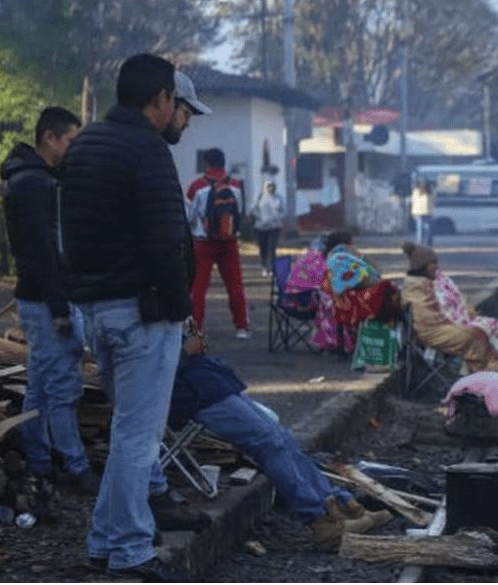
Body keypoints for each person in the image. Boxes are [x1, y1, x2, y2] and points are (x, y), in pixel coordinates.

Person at [58, 53, 194, 581]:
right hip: (144, 313)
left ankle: (103, 540)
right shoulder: (148, 149)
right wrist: (181, 308)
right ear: (160, 100)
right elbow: (166, 239)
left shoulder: (84, 143)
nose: (171, 113)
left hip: (96, 310)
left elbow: (66, 232)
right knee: (138, 436)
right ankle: (132, 550)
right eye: (172, 103)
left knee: (126, 431)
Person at [155, 329, 391, 552]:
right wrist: (186, 350)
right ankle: (321, 521)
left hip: (205, 382)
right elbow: (151, 366)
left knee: (282, 437)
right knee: (268, 441)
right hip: (190, 392)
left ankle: (338, 505)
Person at [0, 107, 98, 495]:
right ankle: (75, 466)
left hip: (38, 296)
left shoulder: (33, 178)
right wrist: (60, 308)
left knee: (40, 387)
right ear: (49, 138)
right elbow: (43, 251)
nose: (73, 148)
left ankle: (40, 463)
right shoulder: (34, 184)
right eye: (70, 139)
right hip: (45, 300)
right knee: (62, 388)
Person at [401, 241, 498, 374]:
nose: (436, 267)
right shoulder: (417, 290)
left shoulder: (426, 283)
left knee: (482, 330)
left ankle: (483, 372)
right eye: (432, 263)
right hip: (433, 334)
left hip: (441, 328)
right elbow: (431, 320)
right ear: (422, 267)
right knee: (476, 336)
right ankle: (480, 376)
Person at [186, 148, 252, 339]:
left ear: (206, 164)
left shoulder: (196, 186)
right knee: (235, 285)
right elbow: (240, 212)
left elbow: (189, 216)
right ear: (224, 163)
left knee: (198, 288)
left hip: (203, 243)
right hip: (229, 241)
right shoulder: (237, 185)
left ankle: (195, 328)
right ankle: (242, 327)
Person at [324, 230, 400, 352]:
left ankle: (343, 346)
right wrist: (362, 256)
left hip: (337, 304)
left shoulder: (329, 259)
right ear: (348, 244)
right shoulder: (354, 256)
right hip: (364, 304)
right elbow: (377, 272)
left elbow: (332, 285)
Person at [249, 180, 285, 277]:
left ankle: (272, 268)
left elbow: (283, 211)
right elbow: (253, 209)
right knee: (263, 248)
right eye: (269, 186)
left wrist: (276, 217)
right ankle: (264, 267)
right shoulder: (259, 197)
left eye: (272, 186)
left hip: (274, 227)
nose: (271, 188)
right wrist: (260, 217)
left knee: (272, 248)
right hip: (260, 227)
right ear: (265, 187)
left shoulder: (279, 198)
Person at [410, 179, 434, 246]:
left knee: (427, 230)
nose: (423, 185)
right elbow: (414, 202)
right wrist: (414, 213)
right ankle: (421, 243)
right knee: (422, 230)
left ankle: (427, 243)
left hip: (426, 213)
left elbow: (432, 203)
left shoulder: (430, 192)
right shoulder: (418, 192)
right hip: (421, 213)